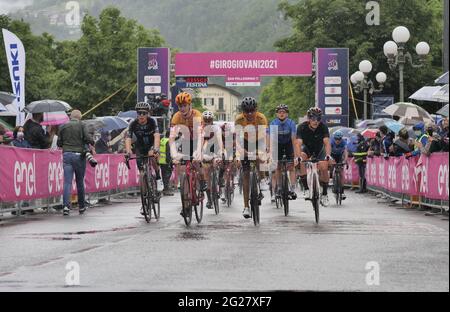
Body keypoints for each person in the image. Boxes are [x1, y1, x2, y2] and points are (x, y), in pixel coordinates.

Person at [125, 102, 163, 214]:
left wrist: (156, 148)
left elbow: (156, 136)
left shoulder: (152, 121)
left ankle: (158, 178)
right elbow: (128, 138)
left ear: (148, 114)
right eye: (139, 113)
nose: (141, 115)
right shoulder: (133, 123)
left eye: (144, 113)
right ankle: (145, 203)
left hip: (151, 145)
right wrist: (128, 152)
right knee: (142, 173)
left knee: (152, 155)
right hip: (140, 147)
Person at [169, 92, 203, 217]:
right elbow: (172, 138)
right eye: (180, 106)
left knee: (197, 161)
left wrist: (198, 151)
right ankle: (186, 204)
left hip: (197, 140)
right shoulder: (176, 117)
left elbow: (200, 135)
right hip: (185, 141)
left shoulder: (197, 115)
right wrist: (174, 154)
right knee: (183, 169)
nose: (182, 108)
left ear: (190, 105)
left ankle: (202, 180)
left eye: (184, 105)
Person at [235, 97, 268, 218]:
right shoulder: (239, 119)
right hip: (245, 141)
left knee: (260, 156)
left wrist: (261, 152)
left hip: (259, 140)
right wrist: (240, 151)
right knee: (246, 175)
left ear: (256, 110)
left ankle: (263, 178)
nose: (249, 113)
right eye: (246, 111)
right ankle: (246, 207)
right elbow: (237, 139)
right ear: (243, 111)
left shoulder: (261, 118)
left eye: (252, 110)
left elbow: (263, 138)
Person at [57, 110, 94, 216]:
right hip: (79, 155)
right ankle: (81, 206)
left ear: (71, 117)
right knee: (79, 182)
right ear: (80, 117)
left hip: (67, 155)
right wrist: (91, 142)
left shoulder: (63, 126)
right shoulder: (82, 125)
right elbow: (88, 138)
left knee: (67, 182)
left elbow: (59, 143)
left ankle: (65, 206)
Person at [295, 107, 332, 207]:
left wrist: (328, 155)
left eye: (318, 119)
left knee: (324, 166)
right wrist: (298, 157)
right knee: (301, 158)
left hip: (319, 150)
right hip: (307, 149)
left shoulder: (323, 127)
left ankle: (324, 194)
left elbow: (327, 143)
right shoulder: (301, 127)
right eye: (313, 119)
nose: (316, 121)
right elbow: (298, 144)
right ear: (308, 119)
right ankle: (306, 188)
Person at [267, 104, 297, 202]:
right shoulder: (274, 123)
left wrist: (295, 155)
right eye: (279, 112)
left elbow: (293, 139)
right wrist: (270, 152)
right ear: (277, 114)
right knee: (277, 167)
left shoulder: (291, 123)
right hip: (277, 144)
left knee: (291, 166)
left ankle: (292, 188)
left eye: (283, 112)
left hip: (288, 144)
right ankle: (278, 188)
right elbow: (271, 139)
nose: (281, 114)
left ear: (287, 114)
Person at [199, 111, 224, 209]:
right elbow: (200, 142)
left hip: (216, 147)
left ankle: (220, 179)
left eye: (209, 120)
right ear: (203, 120)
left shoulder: (216, 128)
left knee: (220, 161)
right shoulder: (201, 129)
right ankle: (209, 199)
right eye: (206, 120)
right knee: (206, 173)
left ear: (212, 120)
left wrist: (221, 152)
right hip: (206, 150)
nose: (208, 122)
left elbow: (219, 140)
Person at [329, 130, 348, 200]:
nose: (337, 140)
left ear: (341, 138)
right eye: (336, 139)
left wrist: (345, 160)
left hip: (340, 156)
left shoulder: (343, 142)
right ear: (334, 138)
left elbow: (346, 151)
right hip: (333, 155)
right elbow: (329, 151)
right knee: (331, 166)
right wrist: (331, 160)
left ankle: (342, 191)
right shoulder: (331, 142)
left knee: (341, 171)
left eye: (339, 139)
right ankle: (331, 178)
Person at [159, 129, 174, 196]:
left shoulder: (162, 140)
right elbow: (168, 152)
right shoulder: (168, 141)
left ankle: (165, 189)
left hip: (161, 160)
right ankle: (166, 190)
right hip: (166, 161)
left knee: (164, 175)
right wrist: (169, 162)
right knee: (167, 175)